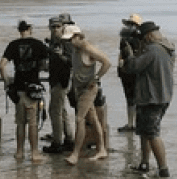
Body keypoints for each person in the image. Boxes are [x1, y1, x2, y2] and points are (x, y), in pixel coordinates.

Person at [127, 17, 176, 178]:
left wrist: (129, 54)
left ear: (147, 36)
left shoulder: (153, 50)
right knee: (144, 131)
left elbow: (133, 67)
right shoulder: (167, 47)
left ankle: (163, 169)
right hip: (161, 94)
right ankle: (144, 163)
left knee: (153, 134)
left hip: (153, 97)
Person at [0, 19, 49, 163]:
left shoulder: (13, 45)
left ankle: (19, 152)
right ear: (30, 28)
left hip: (18, 89)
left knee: (20, 122)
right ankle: (34, 153)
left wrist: (7, 81)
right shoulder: (39, 45)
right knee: (32, 122)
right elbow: (45, 66)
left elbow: (1, 66)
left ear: (19, 30)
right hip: (32, 88)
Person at [63, 26, 112, 165]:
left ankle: (75, 154)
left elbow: (107, 62)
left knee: (79, 119)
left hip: (88, 89)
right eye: (68, 40)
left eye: (72, 39)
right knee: (93, 118)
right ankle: (102, 149)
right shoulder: (74, 49)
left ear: (79, 36)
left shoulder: (88, 48)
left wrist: (96, 78)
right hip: (79, 89)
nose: (70, 42)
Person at [44, 14, 74, 154]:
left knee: (54, 111)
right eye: (53, 27)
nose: (55, 29)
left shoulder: (66, 42)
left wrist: (59, 55)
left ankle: (57, 142)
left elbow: (71, 62)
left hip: (62, 80)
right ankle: (69, 139)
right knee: (61, 111)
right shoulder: (53, 42)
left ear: (63, 27)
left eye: (58, 27)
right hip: (55, 79)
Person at [115, 19, 141, 132]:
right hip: (132, 71)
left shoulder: (126, 39)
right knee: (133, 99)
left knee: (132, 99)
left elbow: (122, 56)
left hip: (129, 71)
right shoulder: (141, 38)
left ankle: (132, 124)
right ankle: (133, 124)